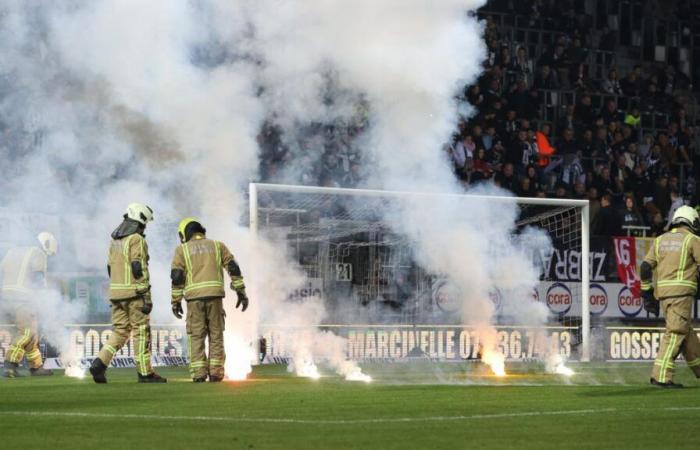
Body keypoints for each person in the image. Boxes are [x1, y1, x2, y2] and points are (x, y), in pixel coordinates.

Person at [89, 203, 166, 384]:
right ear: (140, 219)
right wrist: (146, 295)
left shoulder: (115, 240)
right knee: (141, 331)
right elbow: (138, 267)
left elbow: (109, 267)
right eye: (145, 222)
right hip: (134, 294)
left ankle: (99, 364)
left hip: (116, 293)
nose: (145, 226)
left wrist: (117, 288)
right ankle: (145, 373)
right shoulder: (136, 239)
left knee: (120, 331)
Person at [170, 218, 249, 382]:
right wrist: (241, 291)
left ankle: (199, 374)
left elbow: (177, 277)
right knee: (216, 335)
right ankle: (216, 373)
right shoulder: (217, 246)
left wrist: (175, 300)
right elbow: (233, 267)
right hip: (215, 298)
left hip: (194, 300)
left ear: (185, 233)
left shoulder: (182, 250)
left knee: (196, 336)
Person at [640, 206, 700, 388]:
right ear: (692, 221)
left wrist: (647, 293)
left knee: (686, 333)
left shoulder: (660, 240)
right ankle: (661, 377)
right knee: (676, 333)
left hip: (664, 295)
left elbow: (644, 267)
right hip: (681, 293)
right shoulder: (693, 239)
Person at [2, 232, 58, 378]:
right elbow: (38, 276)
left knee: (31, 332)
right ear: (45, 245)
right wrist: (42, 299)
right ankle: (10, 364)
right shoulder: (38, 252)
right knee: (27, 333)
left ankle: (36, 366)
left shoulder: (12, 251)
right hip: (23, 298)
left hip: (5, 298)